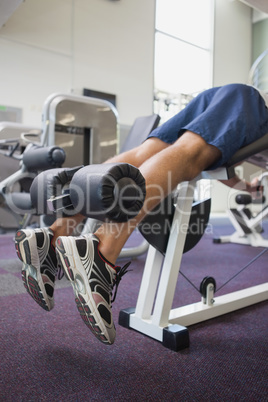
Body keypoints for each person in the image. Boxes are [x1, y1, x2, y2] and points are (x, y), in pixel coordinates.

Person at [14, 83, 268, 345]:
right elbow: (200, 154)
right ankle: (102, 250)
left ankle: (53, 235)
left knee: (142, 154)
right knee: (190, 154)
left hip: (222, 94)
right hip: (252, 101)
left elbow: (219, 156)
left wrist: (246, 187)